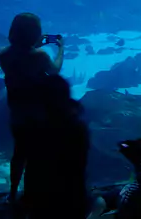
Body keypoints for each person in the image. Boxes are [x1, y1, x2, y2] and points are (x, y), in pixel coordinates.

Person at [0, 12, 64, 204]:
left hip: (16, 113)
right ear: (35, 33)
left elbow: (22, 59)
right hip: (38, 113)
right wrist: (61, 49)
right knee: (37, 155)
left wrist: (34, 45)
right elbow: (54, 71)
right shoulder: (40, 56)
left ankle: (12, 193)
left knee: (19, 153)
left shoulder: (2, 53)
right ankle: (31, 195)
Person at [22, 75, 100, 219]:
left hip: (42, 199)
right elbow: (80, 166)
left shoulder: (34, 128)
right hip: (73, 197)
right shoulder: (78, 127)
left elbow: (31, 168)